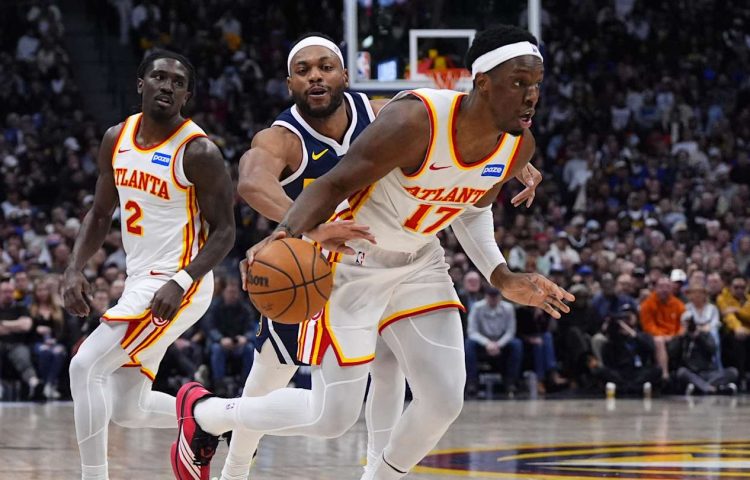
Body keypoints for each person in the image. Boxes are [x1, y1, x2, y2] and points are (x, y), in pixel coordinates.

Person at [171, 25, 573, 480]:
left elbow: (473, 208)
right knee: (329, 417)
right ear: (483, 82)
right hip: (349, 258)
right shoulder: (410, 119)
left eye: (536, 84)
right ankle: (205, 415)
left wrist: (501, 276)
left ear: (344, 74)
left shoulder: (514, 143)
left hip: (419, 261)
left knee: (443, 399)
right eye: (519, 83)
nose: (531, 95)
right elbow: (322, 183)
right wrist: (286, 234)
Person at [62, 50, 235, 480]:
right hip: (140, 279)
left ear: (186, 96)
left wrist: (182, 281)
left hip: (179, 282)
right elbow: (99, 214)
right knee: (128, 408)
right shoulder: (116, 138)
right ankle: (216, 416)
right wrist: (74, 268)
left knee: (85, 366)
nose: (167, 86)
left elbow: (226, 232)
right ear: (141, 83)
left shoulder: (199, 152)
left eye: (178, 83)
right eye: (159, 77)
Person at [464, 286, 522, 396]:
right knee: (469, 344)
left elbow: (510, 332)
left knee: (516, 344)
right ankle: (472, 383)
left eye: (495, 296)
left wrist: (498, 345)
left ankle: (511, 382)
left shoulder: (508, 308)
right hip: (482, 343)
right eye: (491, 296)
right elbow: (472, 332)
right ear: (486, 296)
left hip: (501, 343)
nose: (493, 299)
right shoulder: (477, 307)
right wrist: (487, 343)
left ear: (500, 297)